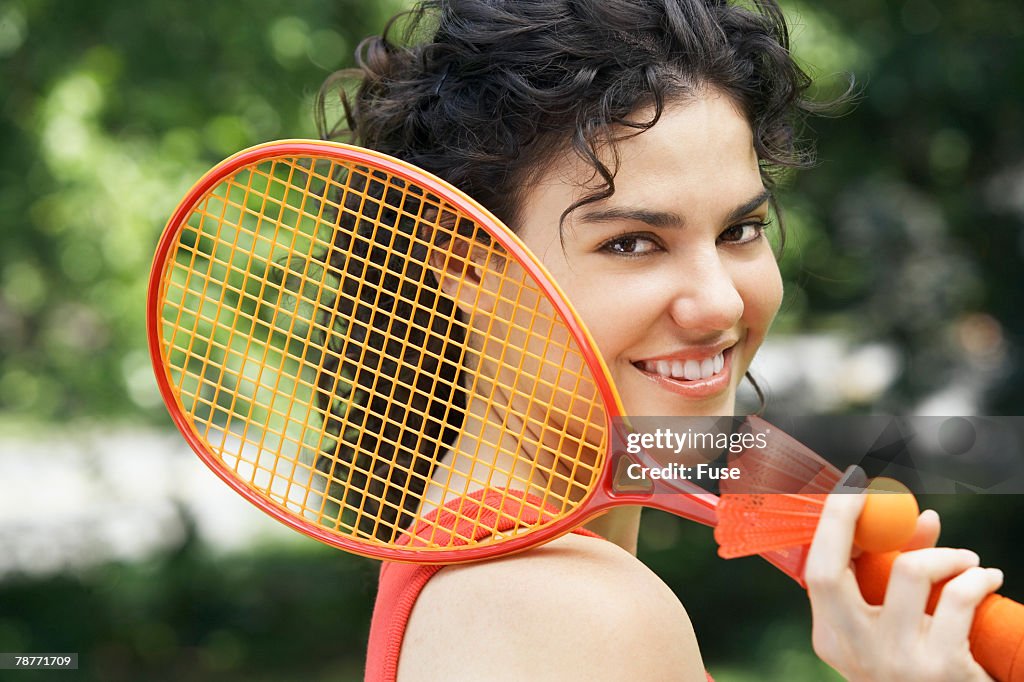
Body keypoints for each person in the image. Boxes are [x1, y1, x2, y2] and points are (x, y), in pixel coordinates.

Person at [315, 1, 1005, 679]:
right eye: (633, 243)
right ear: (464, 261)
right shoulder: (574, 614)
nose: (719, 303)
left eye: (740, 231)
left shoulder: (495, 583)